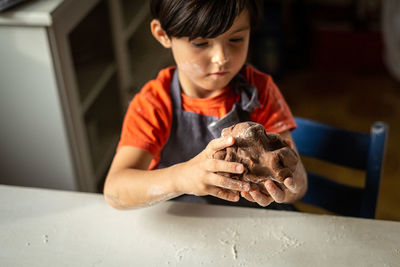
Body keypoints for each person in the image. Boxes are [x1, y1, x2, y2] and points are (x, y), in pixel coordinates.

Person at [104, 0, 307, 210]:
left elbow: (298, 189)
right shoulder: (154, 103)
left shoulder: (260, 90)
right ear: (163, 34)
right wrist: (181, 178)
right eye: (201, 43)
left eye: (236, 39)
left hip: (254, 219)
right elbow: (115, 190)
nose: (221, 58)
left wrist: (289, 182)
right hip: (190, 223)